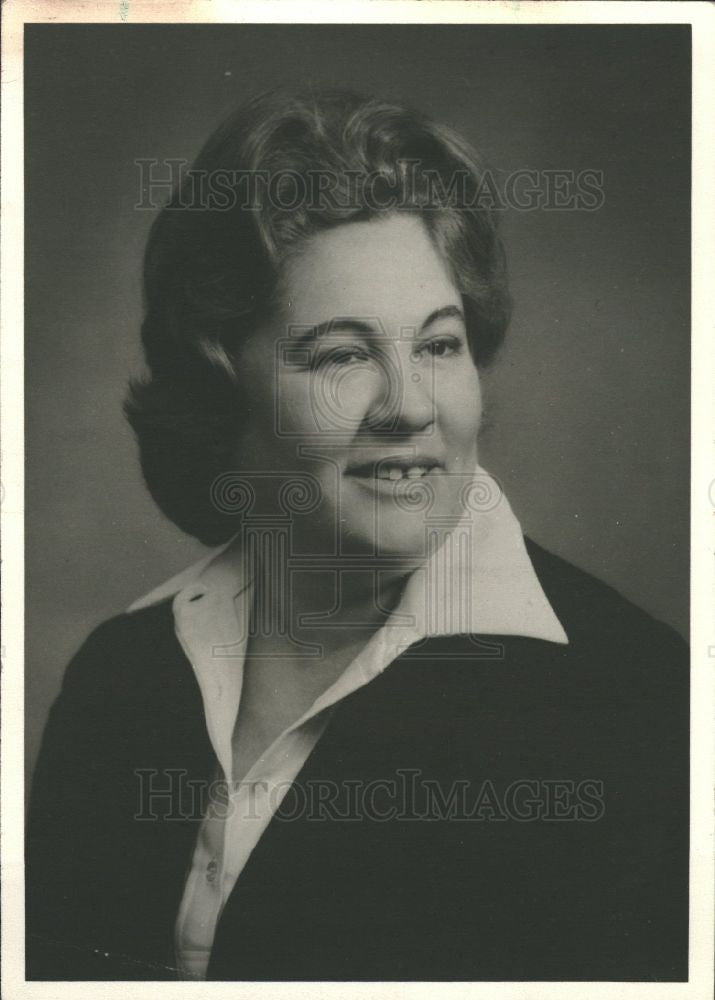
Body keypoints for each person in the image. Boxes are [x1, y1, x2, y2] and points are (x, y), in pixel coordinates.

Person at [26, 88, 689, 982]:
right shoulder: (122, 673)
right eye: (343, 355)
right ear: (224, 380)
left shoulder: (636, 706)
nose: (408, 406)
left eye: (439, 345)